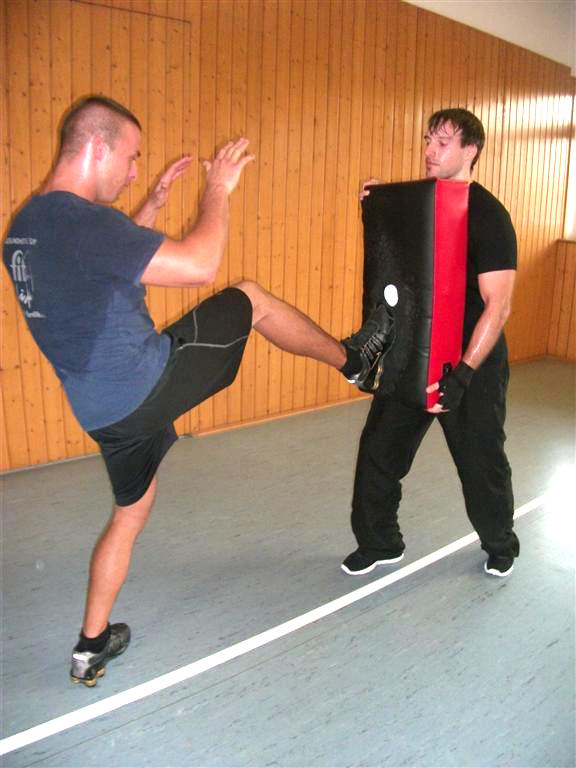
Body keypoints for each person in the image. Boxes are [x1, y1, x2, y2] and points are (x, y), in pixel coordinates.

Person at [3, 96, 394, 686]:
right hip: (144, 383)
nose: (135, 171)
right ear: (96, 147)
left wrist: (150, 208)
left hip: (100, 410)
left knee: (130, 513)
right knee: (250, 297)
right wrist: (218, 188)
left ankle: (91, 644)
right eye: (131, 157)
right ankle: (355, 361)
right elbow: (198, 265)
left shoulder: (28, 228)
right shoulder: (84, 224)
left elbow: (96, 270)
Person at [341, 108, 519, 580]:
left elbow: (498, 306)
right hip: (415, 352)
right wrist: (378, 206)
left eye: (442, 142)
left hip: (470, 361)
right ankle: (379, 542)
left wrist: (463, 374)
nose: (429, 150)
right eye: (427, 140)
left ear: (470, 150)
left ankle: (500, 543)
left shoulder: (489, 215)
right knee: (379, 452)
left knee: (481, 463)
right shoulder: (415, 206)